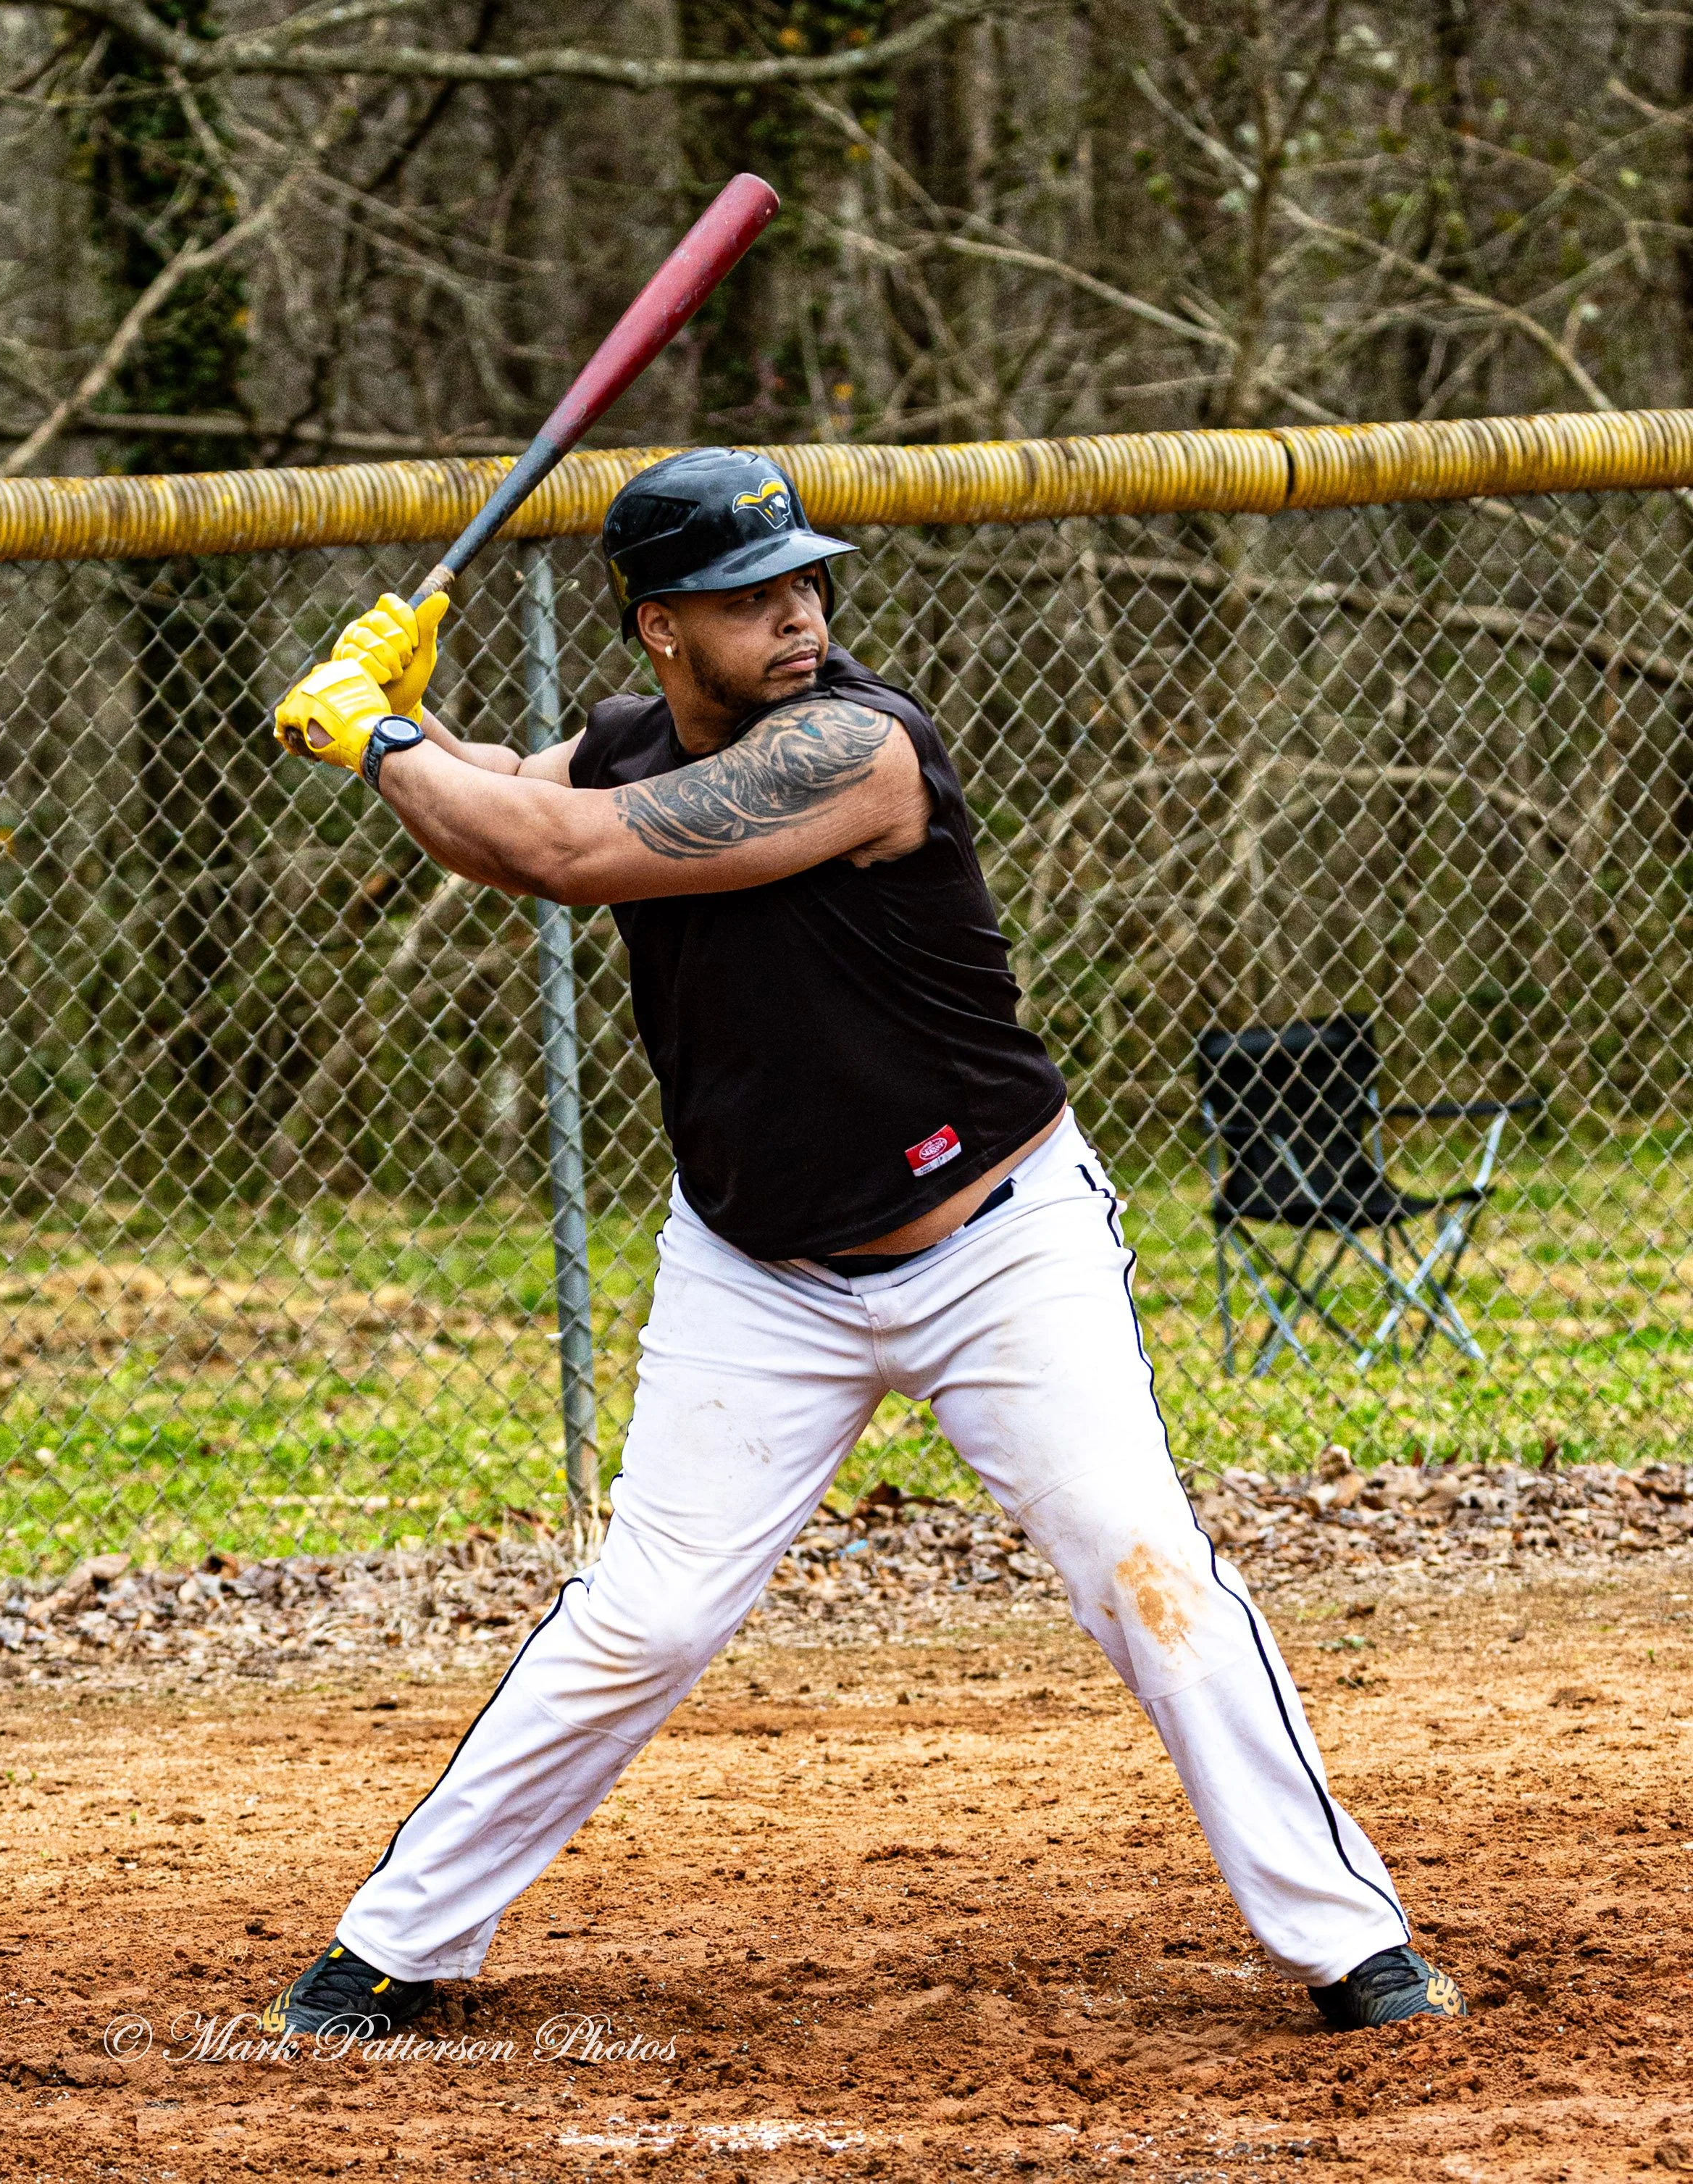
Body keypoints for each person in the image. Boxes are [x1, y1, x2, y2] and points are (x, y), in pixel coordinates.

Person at [261, 448, 1465, 2041]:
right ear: (657, 628)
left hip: (994, 1244)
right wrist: (413, 730)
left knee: (1141, 1565)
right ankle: (394, 1945)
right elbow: (509, 820)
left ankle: (1346, 1940)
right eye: (746, 597)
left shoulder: (857, 746)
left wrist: (382, 735)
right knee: (647, 1616)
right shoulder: (626, 741)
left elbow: (569, 853)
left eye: (804, 582)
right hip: (756, 1267)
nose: (797, 617)